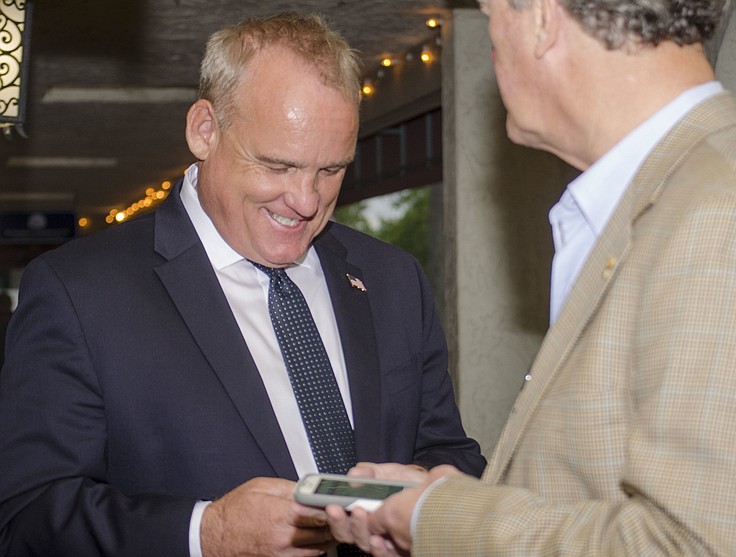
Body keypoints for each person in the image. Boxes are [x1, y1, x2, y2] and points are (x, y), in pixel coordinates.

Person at [328, 0, 736, 555]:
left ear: (540, 17)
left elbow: (693, 546)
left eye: (492, 11)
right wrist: (449, 498)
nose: (490, 38)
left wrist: (440, 517)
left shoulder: (725, 223)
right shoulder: (679, 201)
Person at [0, 11, 485, 557]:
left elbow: (450, 452)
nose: (306, 201)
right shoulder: (79, 292)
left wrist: (412, 506)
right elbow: (31, 517)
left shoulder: (393, 278)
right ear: (205, 130)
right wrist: (210, 532)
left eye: (331, 170)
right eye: (278, 166)